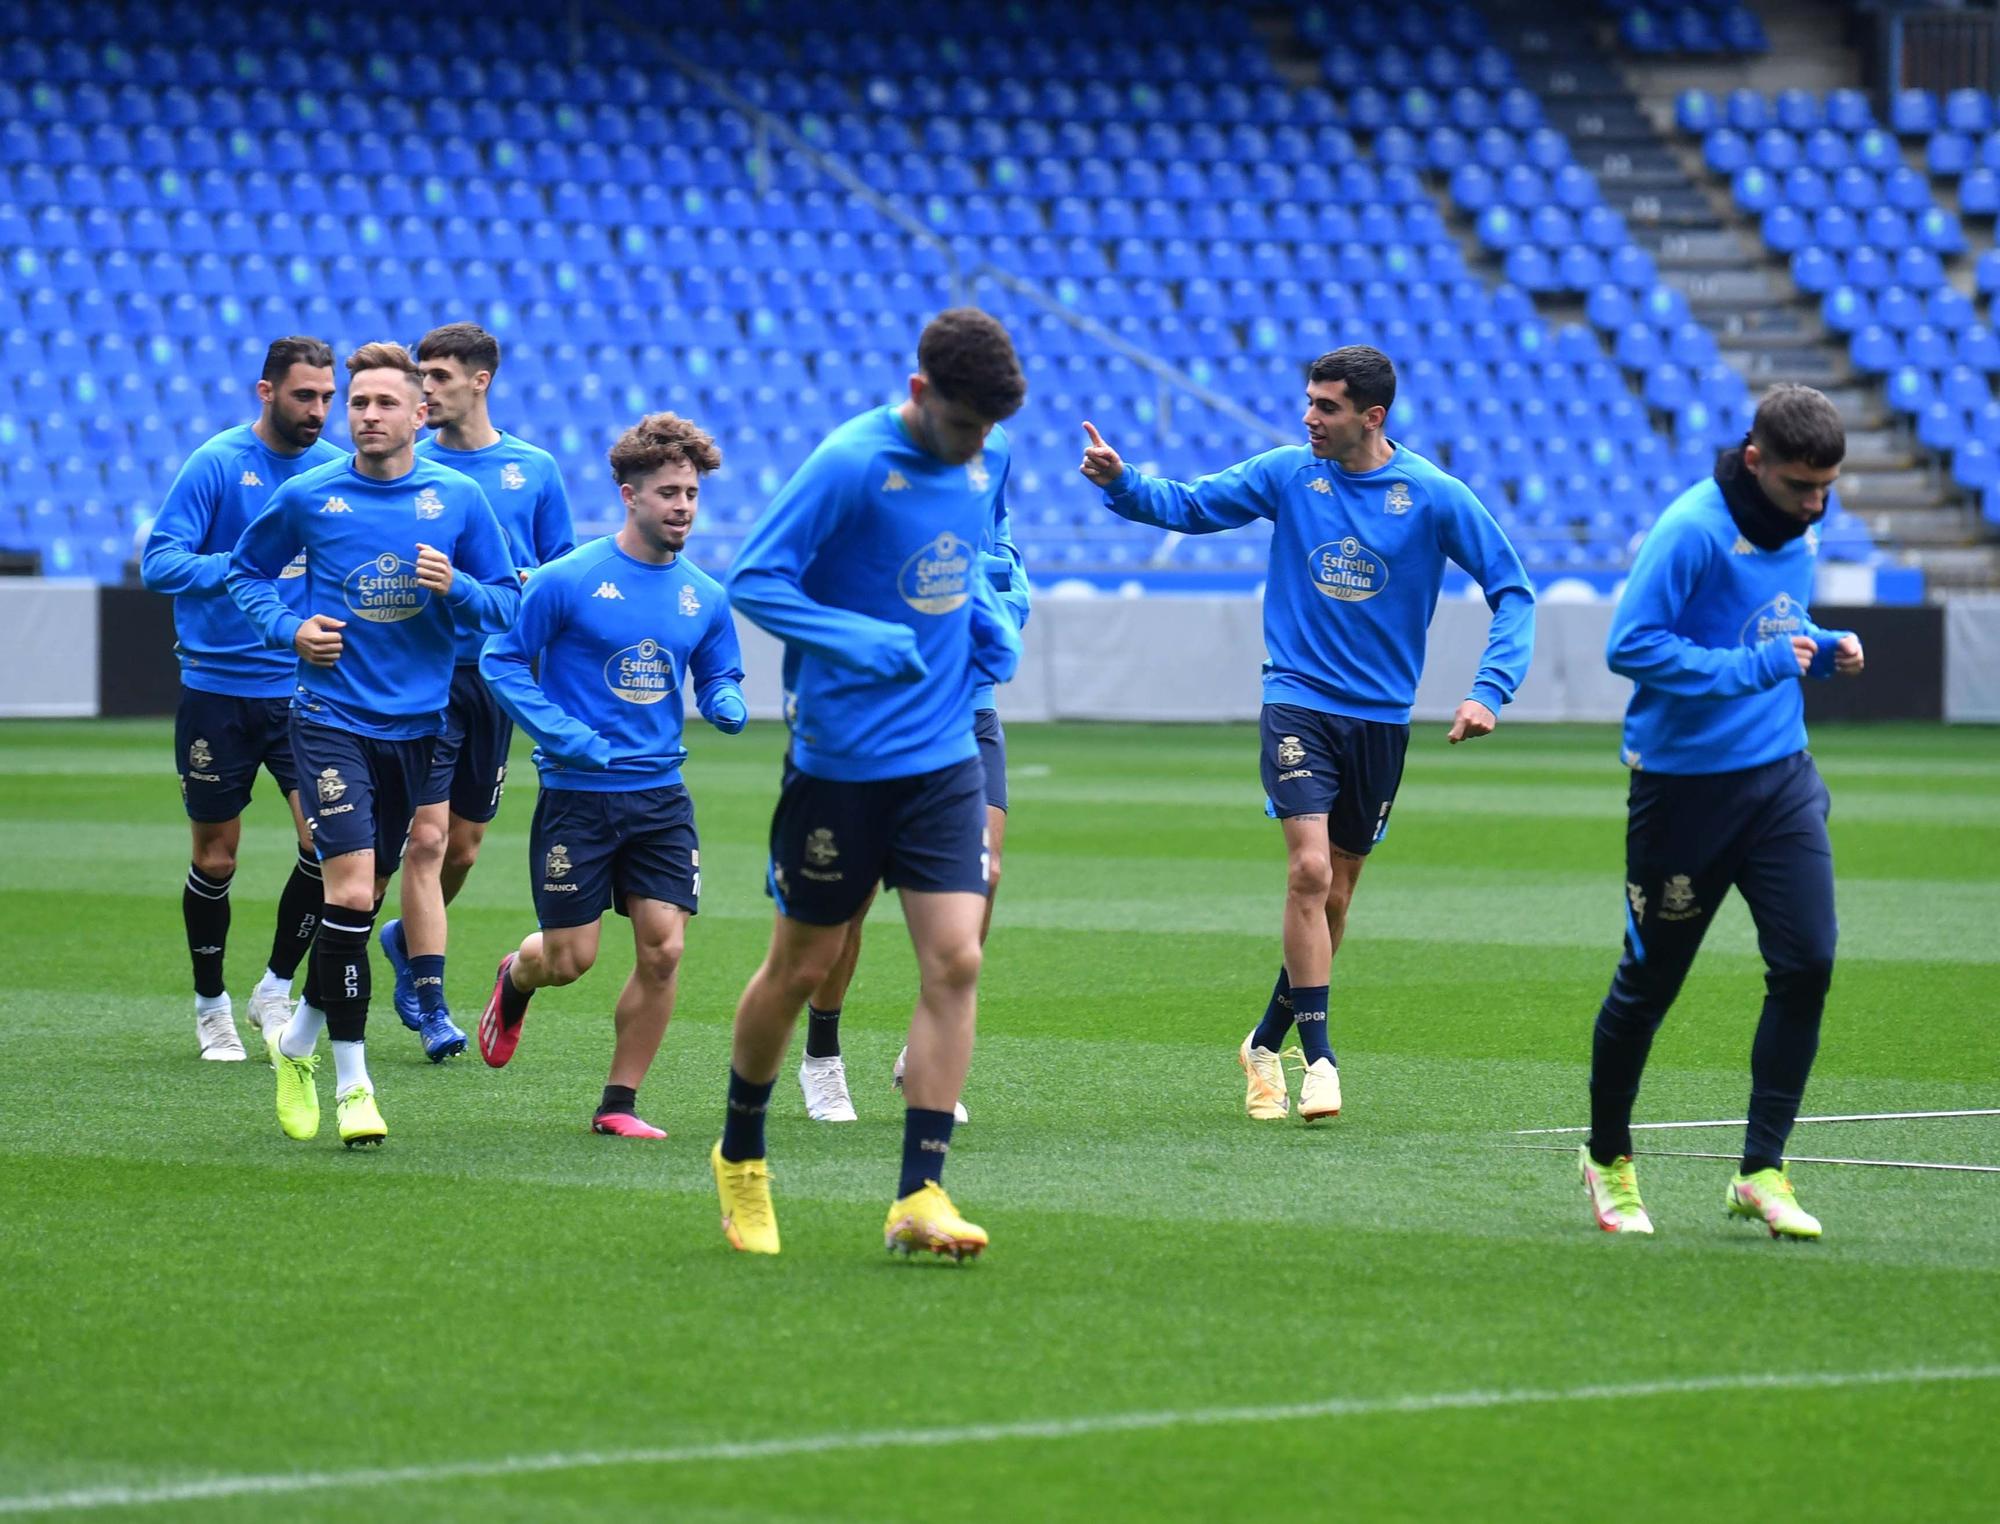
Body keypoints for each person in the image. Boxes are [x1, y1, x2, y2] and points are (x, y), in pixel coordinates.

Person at [1080, 344, 1535, 1124]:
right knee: (1310, 870)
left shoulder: (1430, 495)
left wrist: (1489, 690)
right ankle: (1319, 1060)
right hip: (1296, 699)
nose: (1309, 418)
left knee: (1338, 894)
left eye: (1325, 406)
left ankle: (1263, 1040)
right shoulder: (1290, 472)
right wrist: (1123, 484)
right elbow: (1191, 506)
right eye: (1309, 401)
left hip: (1381, 720)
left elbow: (1513, 590)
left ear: (1372, 416)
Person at [711, 308, 1025, 1259]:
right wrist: (853, 637)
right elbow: (753, 580)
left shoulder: (987, 455)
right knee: (801, 966)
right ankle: (741, 1154)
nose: (977, 444)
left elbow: (959, 563)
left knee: (956, 959)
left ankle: (921, 1192)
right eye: (963, 424)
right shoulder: (851, 461)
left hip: (942, 757)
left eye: (988, 429)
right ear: (921, 393)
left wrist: (983, 617)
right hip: (841, 762)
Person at [1579, 384, 1862, 1240]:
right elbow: (1629, 645)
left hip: (1781, 778)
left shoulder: (1798, 522)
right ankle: (1607, 1158)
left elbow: (1767, 626)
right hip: (1684, 790)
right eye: (1800, 487)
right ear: (1754, 462)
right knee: (1649, 986)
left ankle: (1762, 1170)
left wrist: (1818, 649)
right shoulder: (1693, 528)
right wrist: (1763, 666)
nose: (1816, 505)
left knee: (1808, 961)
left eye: (1827, 488)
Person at [226, 341, 520, 1147]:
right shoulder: (312, 495)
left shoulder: (457, 499)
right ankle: (354, 1083)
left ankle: (296, 1044)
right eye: (358, 404)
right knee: (351, 892)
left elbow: (504, 604)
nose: (366, 416)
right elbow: (244, 574)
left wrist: (454, 587)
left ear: (420, 415)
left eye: (385, 403)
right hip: (328, 719)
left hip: (420, 730)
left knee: (364, 901)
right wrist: (291, 629)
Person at [477, 412, 746, 1138]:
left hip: (660, 795)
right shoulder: (568, 580)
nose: (683, 506)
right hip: (578, 797)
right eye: (668, 492)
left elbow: (718, 663)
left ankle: (618, 1105)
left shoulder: (703, 594)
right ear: (630, 495)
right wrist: (562, 733)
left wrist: (723, 696)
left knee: (665, 948)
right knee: (570, 961)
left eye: (691, 492)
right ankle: (517, 976)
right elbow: (500, 659)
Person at [795, 469, 1028, 1125]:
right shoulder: (880, 490)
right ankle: (821, 1058)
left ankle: (926, 1055)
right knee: (851, 899)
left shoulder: (989, 502)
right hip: (885, 718)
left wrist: (988, 622)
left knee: (985, 876)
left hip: (967, 714)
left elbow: (1013, 589)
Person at [141, 336, 346, 1060]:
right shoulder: (218, 463)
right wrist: (243, 566)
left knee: (327, 845)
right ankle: (210, 1006)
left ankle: (273, 988)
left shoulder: (333, 472)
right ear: (266, 393)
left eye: (327, 396)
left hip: (303, 692)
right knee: (218, 858)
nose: (319, 410)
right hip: (218, 690)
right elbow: (159, 561)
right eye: (304, 396)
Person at [377, 322, 576, 1062]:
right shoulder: (408, 465)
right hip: (423, 673)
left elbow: (560, 573)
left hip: (495, 678)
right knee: (425, 841)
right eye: (420, 375)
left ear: (479, 381)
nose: (424, 388)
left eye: (437, 375)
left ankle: (403, 939)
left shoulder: (534, 470)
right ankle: (432, 1001)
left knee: (463, 847)